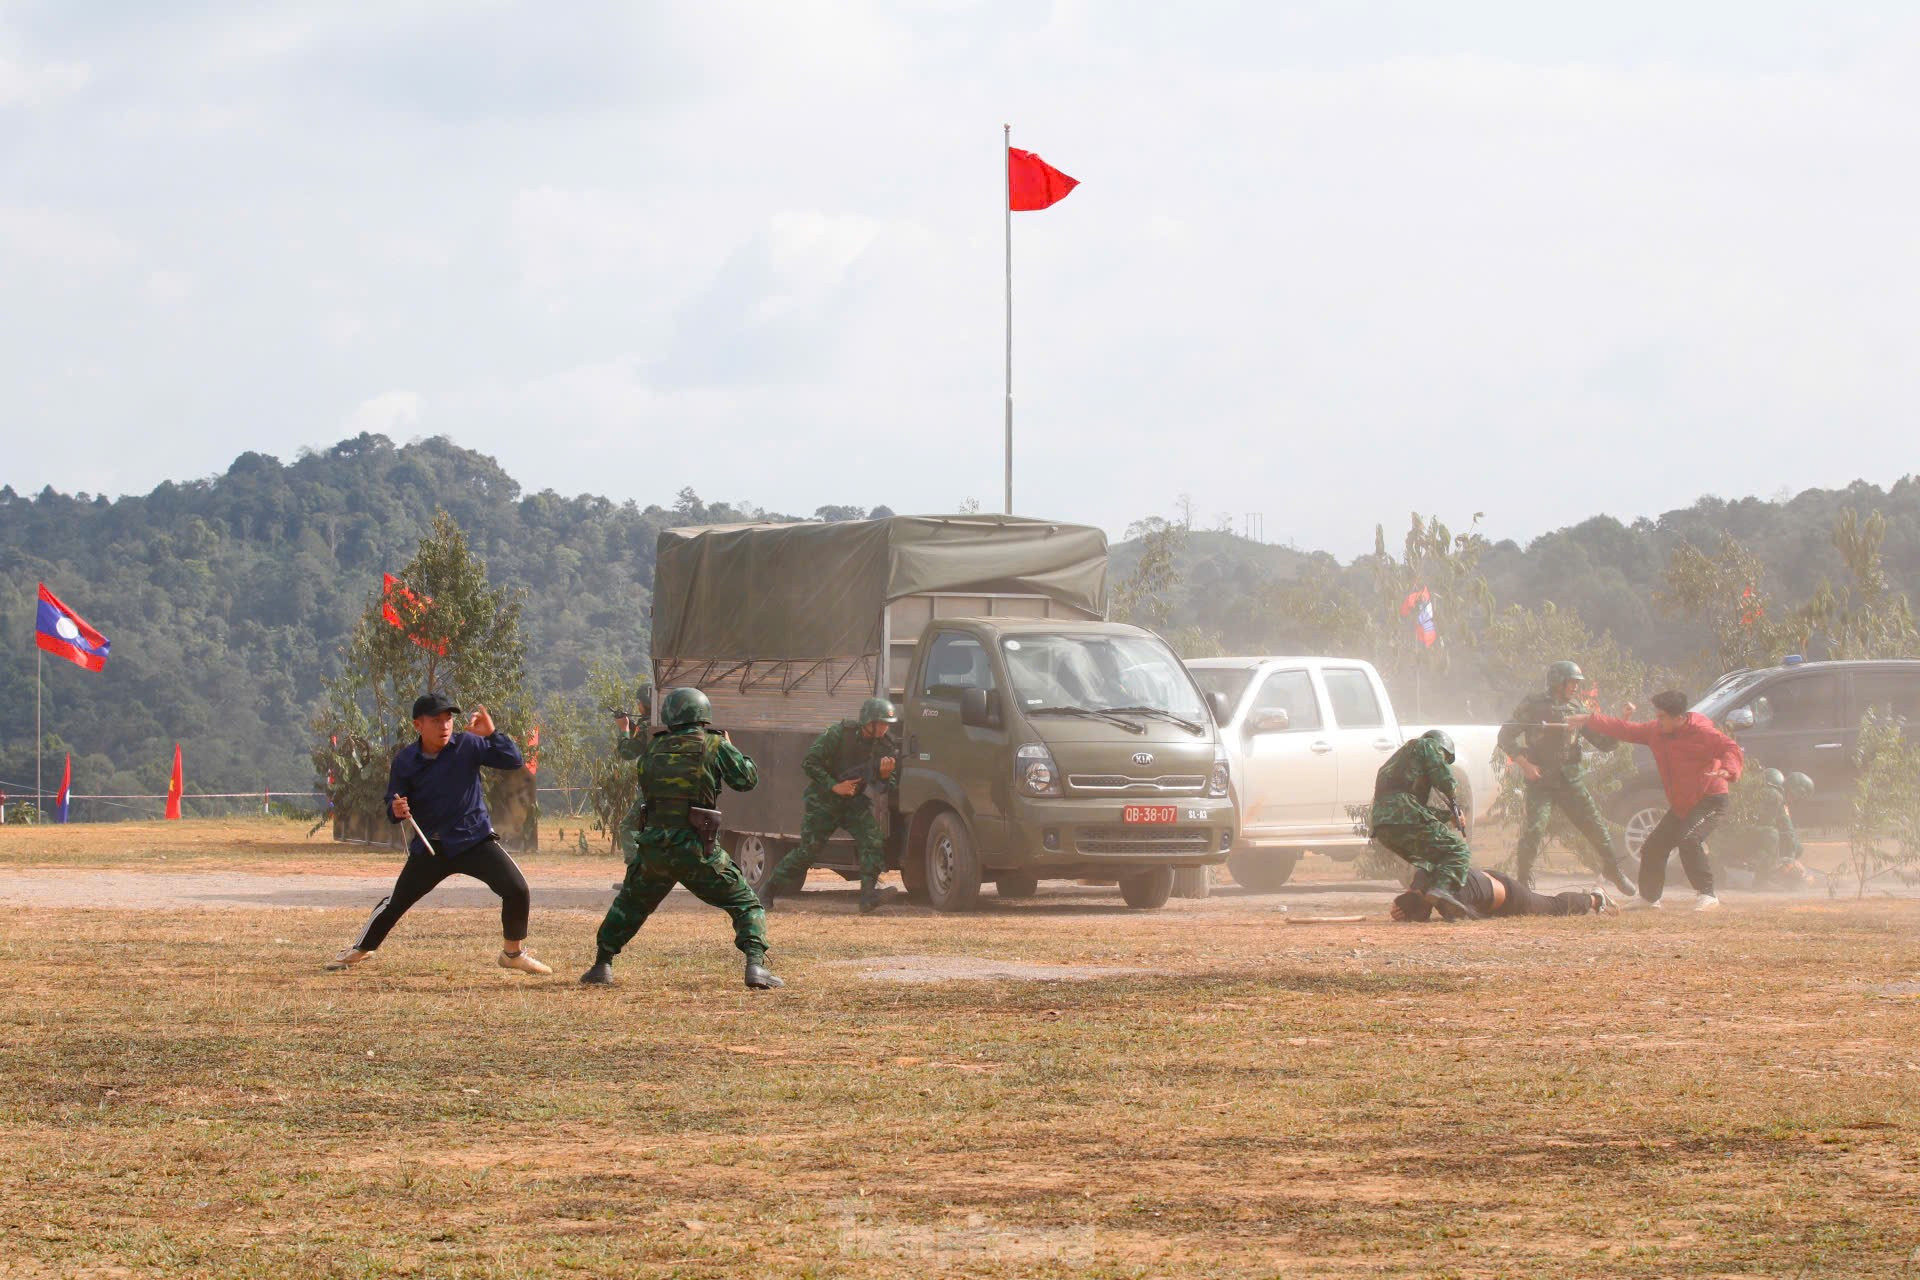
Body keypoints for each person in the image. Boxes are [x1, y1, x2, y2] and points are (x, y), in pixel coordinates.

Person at [328, 693, 550, 973]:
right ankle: (360, 949)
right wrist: (396, 809)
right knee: (396, 903)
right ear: (418, 725)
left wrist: (492, 734)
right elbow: (392, 805)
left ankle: (512, 954)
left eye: (449, 719)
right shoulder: (405, 760)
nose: (445, 725)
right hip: (431, 847)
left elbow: (513, 759)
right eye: (437, 720)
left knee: (517, 889)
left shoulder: (468, 744)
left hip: (474, 840)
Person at [580, 687, 780, 990]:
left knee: (629, 904)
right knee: (746, 903)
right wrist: (730, 747)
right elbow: (746, 779)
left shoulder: (653, 747)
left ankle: (601, 964)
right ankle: (755, 966)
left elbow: (645, 785)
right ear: (703, 715)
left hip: (654, 847)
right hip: (697, 848)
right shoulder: (713, 745)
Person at [1568, 691, 1744, 911]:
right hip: (1683, 804)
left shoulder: (1702, 732)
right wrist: (1588, 719)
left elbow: (1730, 748)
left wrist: (1728, 770)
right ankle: (1650, 899)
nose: (1657, 721)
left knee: (1689, 840)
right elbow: (1625, 730)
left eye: (1662, 717)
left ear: (1679, 718)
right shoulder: (1656, 731)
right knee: (1653, 847)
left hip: (1710, 799)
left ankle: (1707, 894)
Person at [1497, 660, 1637, 894]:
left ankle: (1613, 869)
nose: (1575, 687)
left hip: (1570, 780)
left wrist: (1624, 721)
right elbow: (1505, 736)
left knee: (1596, 826)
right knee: (1534, 828)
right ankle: (1522, 882)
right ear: (1557, 682)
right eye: (1571, 682)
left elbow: (1605, 744)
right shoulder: (1533, 704)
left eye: (1576, 683)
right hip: (1540, 779)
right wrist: (1525, 765)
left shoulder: (1578, 708)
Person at [761, 697, 901, 913]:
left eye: (887, 724)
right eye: (880, 723)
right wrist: (834, 786)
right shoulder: (838, 734)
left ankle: (867, 896)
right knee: (808, 852)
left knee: (872, 839)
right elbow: (809, 762)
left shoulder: (885, 747)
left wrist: (884, 775)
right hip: (823, 802)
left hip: (853, 802)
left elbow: (885, 787)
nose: (884, 728)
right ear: (868, 722)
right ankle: (767, 891)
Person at [1369, 729, 1481, 919]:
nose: (1443, 761)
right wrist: (1452, 795)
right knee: (1457, 850)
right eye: (1444, 758)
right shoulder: (1426, 745)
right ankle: (1441, 891)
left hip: (1382, 825)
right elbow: (1443, 777)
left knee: (1434, 861)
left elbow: (1416, 810)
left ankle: (1419, 906)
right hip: (1402, 813)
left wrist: (1448, 816)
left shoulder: (1402, 768)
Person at [1391, 866, 1615, 922]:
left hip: (1510, 897)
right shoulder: (1422, 878)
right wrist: (1399, 910)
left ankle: (1596, 898)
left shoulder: (1453, 898)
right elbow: (1415, 902)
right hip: (1488, 879)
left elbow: (1469, 917)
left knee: (1553, 906)